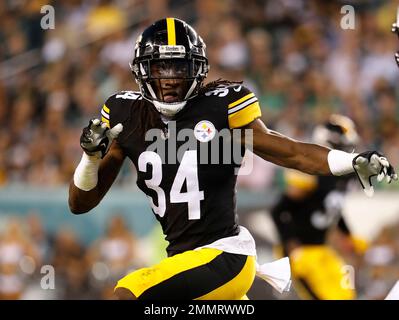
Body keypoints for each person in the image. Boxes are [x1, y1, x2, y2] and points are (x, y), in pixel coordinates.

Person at [68, 18, 397, 300]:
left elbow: (290, 151)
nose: (169, 77)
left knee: (129, 292)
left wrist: (349, 161)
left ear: (197, 69)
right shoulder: (127, 115)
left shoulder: (221, 105)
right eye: (160, 67)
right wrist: (90, 159)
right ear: (142, 71)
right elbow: (80, 204)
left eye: (179, 67)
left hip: (225, 254)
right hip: (186, 262)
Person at [270, 115, 367, 300]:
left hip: (321, 250)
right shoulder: (310, 173)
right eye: (344, 147)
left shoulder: (341, 178)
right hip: (301, 250)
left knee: (345, 296)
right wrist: (290, 244)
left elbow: (332, 208)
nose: (348, 152)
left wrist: (348, 236)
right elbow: (278, 211)